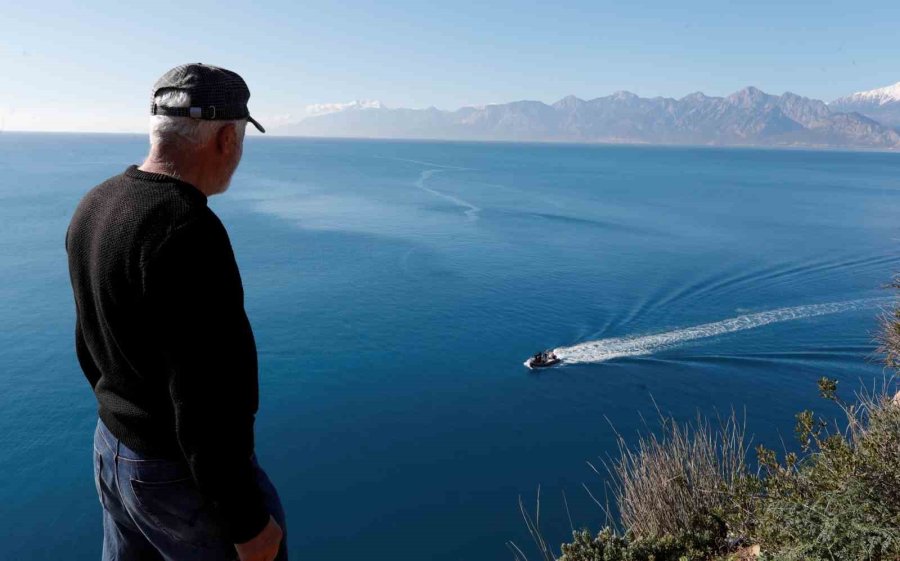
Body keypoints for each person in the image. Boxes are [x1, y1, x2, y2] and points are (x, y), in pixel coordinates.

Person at [66, 63, 286, 561]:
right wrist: (246, 522)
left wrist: (125, 420)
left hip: (114, 450)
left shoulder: (96, 204)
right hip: (176, 474)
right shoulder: (186, 231)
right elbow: (208, 398)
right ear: (227, 138)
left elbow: (89, 342)